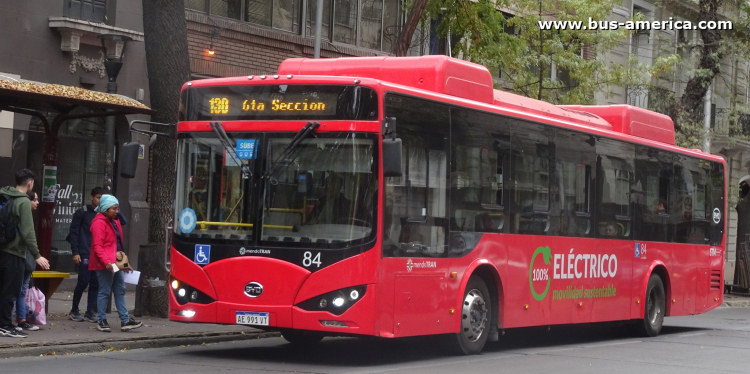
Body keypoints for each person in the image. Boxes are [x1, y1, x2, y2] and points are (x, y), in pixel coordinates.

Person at [0, 169, 50, 338]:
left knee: (2, 288)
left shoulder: (4, 195)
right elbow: (28, 232)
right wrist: (37, 255)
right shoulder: (23, 201)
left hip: (1, 248)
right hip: (14, 251)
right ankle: (5, 325)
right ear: (30, 183)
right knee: (10, 290)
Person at [89, 194, 142, 332]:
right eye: (114, 208)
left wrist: (124, 263)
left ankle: (125, 320)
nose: (117, 211)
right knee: (105, 290)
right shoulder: (99, 223)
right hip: (105, 263)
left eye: (117, 208)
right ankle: (101, 320)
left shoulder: (113, 221)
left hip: (114, 262)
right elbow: (98, 247)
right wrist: (107, 262)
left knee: (119, 289)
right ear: (106, 208)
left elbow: (117, 245)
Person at [67, 187, 106, 322]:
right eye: (98, 197)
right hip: (84, 252)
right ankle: (74, 310)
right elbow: (74, 233)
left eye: (102, 198)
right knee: (83, 282)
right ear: (91, 197)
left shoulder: (103, 214)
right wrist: (75, 252)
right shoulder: (82, 212)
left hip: (97, 254)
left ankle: (90, 311)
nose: (100, 200)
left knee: (95, 283)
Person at [13, 191, 40, 331]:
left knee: (22, 289)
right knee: (15, 289)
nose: (37, 202)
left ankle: (21, 320)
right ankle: (9, 321)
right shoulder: (23, 215)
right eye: (35, 200)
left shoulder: (28, 216)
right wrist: (37, 255)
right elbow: (28, 237)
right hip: (21, 257)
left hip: (26, 259)